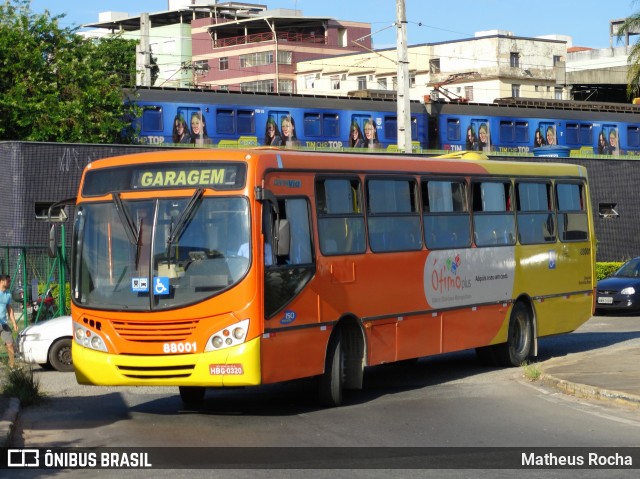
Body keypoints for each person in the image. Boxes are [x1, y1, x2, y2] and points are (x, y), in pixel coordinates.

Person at [0, 274, 19, 369]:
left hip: (3, 324)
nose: (9, 283)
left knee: (10, 343)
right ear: (2, 281)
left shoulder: (8, 294)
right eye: (8, 281)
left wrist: (14, 323)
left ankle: (12, 365)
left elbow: (10, 310)